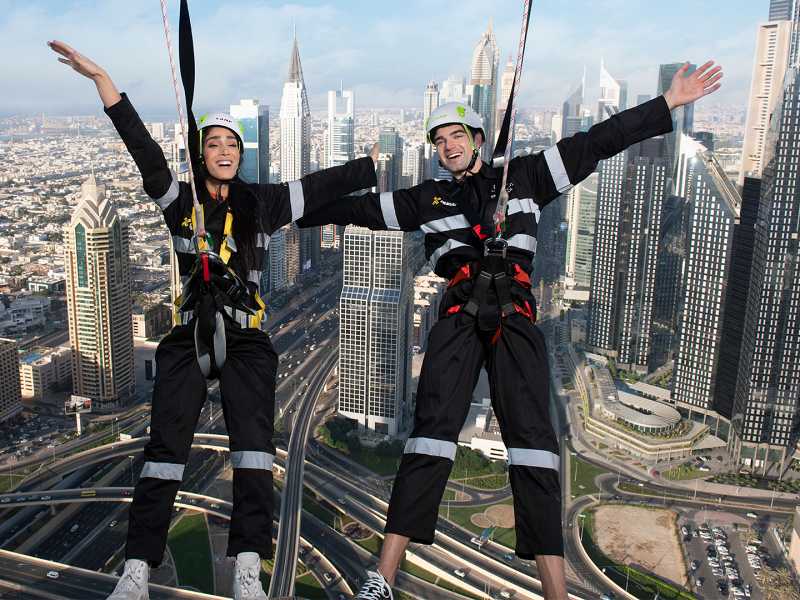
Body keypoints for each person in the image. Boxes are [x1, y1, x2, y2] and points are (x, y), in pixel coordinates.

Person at [299, 60, 723, 600]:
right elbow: (353, 210)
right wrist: (273, 210)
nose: (448, 145)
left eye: (457, 135)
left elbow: (598, 142)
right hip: (457, 319)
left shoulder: (526, 177)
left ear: (477, 138)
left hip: (515, 320)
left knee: (535, 447)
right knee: (430, 435)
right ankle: (381, 577)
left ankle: (556, 592)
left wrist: (666, 105)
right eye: (439, 139)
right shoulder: (426, 199)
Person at [47, 40, 377, 600]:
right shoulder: (181, 201)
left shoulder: (262, 203)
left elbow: (318, 187)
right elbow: (142, 149)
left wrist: (370, 167)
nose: (223, 150)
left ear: (241, 154)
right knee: (164, 451)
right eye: (213, 144)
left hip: (245, 336)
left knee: (253, 447)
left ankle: (248, 562)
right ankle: (137, 571)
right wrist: (103, 78)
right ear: (201, 153)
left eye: (231, 144)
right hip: (191, 332)